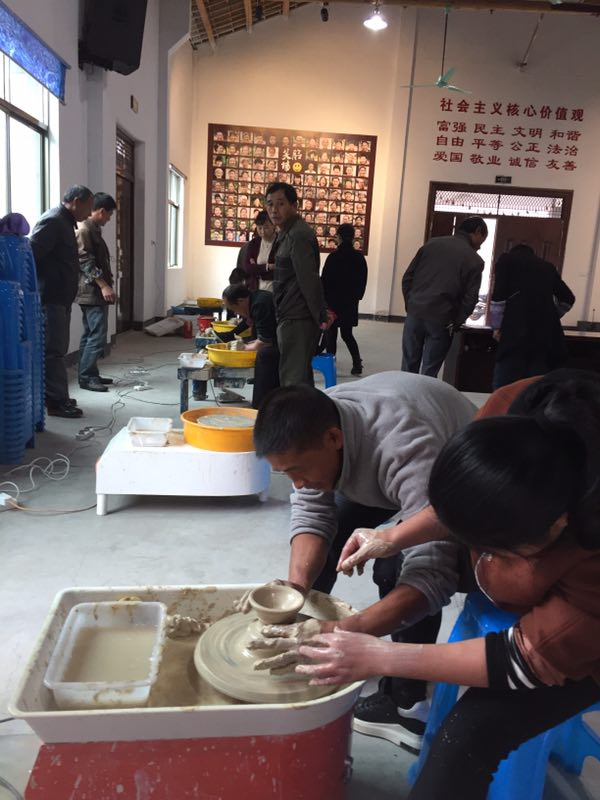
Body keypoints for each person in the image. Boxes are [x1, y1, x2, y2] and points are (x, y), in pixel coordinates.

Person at [283, 368, 600, 799]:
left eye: (498, 551)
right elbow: (459, 500)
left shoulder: (589, 559)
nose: (483, 557)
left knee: (467, 737)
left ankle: (408, 704)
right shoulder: (512, 413)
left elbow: (527, 659)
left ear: (555, 526)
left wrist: (381, 655)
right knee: (393, 560)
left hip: (585, 639)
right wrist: (392, 536)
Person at [244, 372, 476, 751]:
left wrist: (346, 632)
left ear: (334, 439)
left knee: (394, 568)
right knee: (328, 535)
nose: (296, 483)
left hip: (460, 480)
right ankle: (306, 645)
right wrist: (293, 592)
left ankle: (408, 704)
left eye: (298, 470)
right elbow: (312, 515)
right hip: (378, 463)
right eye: (286, 474)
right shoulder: (314, 425)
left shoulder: (406, 447)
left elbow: (433, 572)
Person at [30, 185, 94, 418]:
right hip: (51, 298)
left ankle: (57, 396)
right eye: (88, 207)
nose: (89, 213)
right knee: (54, 351)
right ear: (76, 201)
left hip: (60, 299)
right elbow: (31, 254)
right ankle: (56, 402)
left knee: (57, 349)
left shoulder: (65, 223)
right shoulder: (54, 221)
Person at [401, 216, 488, 377]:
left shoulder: (431, 244)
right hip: (442, 318)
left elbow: (407, 278)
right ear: (477, 231)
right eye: (482, 239)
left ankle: (404, 392)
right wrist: (457, 321)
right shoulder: (474, 260)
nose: (480, 246)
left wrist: (410, 304)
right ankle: (424, 393)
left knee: (408, 365)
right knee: (429, 370)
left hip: (415, 312)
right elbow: (470, 298)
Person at [265, 182, 329, 386]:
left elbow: (309, 279)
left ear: (294, 206)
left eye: (281, 203)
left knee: (292, 380)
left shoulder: (298, 235)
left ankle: (297, 409)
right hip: (289, 314)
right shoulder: (286, 232)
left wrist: (320, 316)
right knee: (299, 377)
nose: (274, 210)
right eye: (270, 204)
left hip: (297, 317)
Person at [489, 243, 575, 389]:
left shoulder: (506, 260)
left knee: (504, 386)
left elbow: (499, 297)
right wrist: (552, 316)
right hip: (543, 336)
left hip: (514, 332)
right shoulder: (547, 266)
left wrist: (497, 326)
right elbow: (568, 298)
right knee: (534, 387)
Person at [75, 192, 117, 392]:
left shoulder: (93, 228)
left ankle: (90, 373)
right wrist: (103, 285)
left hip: (93, 291)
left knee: (90, 334)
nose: (109, 219)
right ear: (101, 211)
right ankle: (87, 378)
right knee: (97, 335)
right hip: (91, 291)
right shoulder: (85, 229)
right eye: (109, 214)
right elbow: (85, 261)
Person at [222, 284, 279, 408]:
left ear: (241, 301)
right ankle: (263, 404)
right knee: (260, 352)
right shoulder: (254, 298)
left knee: (264, 355)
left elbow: (265, 342)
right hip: (278, 337)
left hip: (288, 341)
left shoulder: (260, 305)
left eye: (233, 308)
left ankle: (262, 406)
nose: (235, 313)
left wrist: (243, 348)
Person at [321, 224, 368, 375]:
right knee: (347, 334)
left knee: (331, 335)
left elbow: (324, 281)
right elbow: (363, 280)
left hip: (333, 302)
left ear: (339, 237)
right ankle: (357, 364)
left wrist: (324, 300)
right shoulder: (359, 257)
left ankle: (330, 367)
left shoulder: (333, 257)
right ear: (353, 237)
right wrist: (357, 297)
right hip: (350, 303)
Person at [242, 210, 276, 291]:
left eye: (266, 227)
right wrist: (268, 267)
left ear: (273, 225)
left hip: (275, 290)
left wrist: (257, 269)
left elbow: (280, 269)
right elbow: (247, 268)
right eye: (259, 228)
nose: (262, 231)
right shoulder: (254, 243)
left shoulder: (280, 242)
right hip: (256, 289)